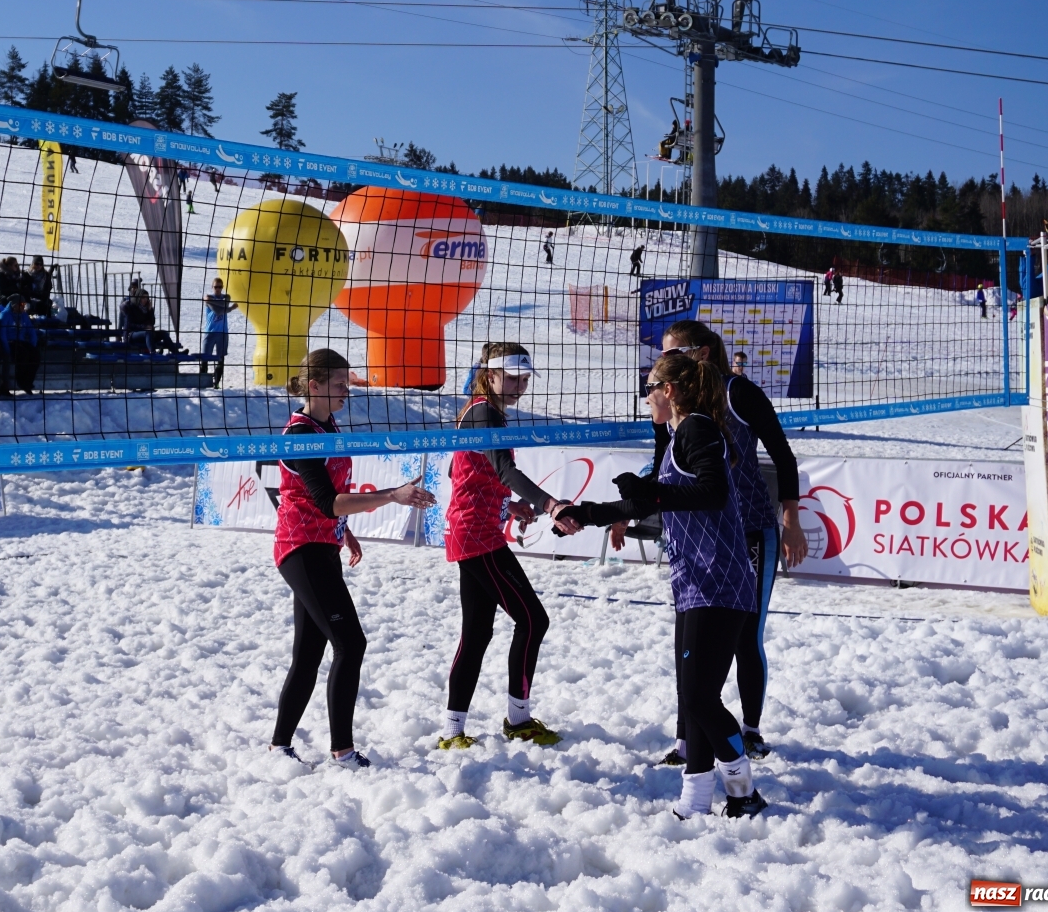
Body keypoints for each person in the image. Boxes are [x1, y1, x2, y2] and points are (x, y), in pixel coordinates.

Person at [561, 352, 767, 819]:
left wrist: (650, 492)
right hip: (696, 582)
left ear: (668, 391)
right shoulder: (679, 437)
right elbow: (649, 501)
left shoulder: (697, 428)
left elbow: (711, 492)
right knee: (693, 699)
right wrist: (586, 514)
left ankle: (743, 789)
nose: (646, 397)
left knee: (698, 698)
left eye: (649, 388)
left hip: (719, 581)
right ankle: (694, 802)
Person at [631, 320, 805, 765]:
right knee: (688, 638)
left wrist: (791, 518)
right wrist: (624, 510)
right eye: (662, 355)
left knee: (746, 635)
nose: (664, 362)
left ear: (702, 352)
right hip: (701, 538)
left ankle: (750, 731)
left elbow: (783, 455)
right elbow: (663, 467)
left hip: (750, 529)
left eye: (674, 353)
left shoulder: (737, 392)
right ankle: (687, 739)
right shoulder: (674, 407)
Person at [269, 348, 435, 768]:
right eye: (340, 384)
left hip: (321, 544)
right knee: (351, 643)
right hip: (300, 548)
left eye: (347, 382)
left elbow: (325, 500)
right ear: (314, 386)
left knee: (309, 654)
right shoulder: (301, 433)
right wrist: (392, 496)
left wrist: (345, 531)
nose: (347, 390)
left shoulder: (328, 425)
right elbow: (327, 501)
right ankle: (342, 751)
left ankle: (279, 746)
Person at [437, 343, 578, 751]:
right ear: (490, 375)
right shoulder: (483, 412)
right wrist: (550, 505)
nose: (521, 386)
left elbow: (466, 472)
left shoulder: (485, 411)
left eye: (525, 379)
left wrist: (507, 504)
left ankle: (452, 731)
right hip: (476, 535)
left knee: (477, 634)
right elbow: (503, 469)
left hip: (475, 530)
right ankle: (518, 720)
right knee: (534, 621)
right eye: (513, 378)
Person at [0, 294, 40, 394]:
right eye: (21, 304)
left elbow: (31, 331)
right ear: (14, 305)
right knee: (23, 354)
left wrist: (32, 346)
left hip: (21, 341)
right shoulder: (5, 315)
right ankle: (21, 381)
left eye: (24, 305)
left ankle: (28, 383)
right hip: (9, 342)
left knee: (35, 355)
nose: (23, 307)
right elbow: (2, 335)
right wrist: (7, 350)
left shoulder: (24, 315)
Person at [203, 278, 234, 385]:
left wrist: (222, 305)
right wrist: (230, 308)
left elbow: (224, 305)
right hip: (210, 332)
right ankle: (202, 383)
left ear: (222, 287)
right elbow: (218, 311)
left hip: (222, 333)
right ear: (212, 287)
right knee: (205, 358)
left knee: (220, 359)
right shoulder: (209, 297)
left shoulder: (226, 297)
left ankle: (216, 383)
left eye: (220, 287)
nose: (218, 289)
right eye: (216, 287)